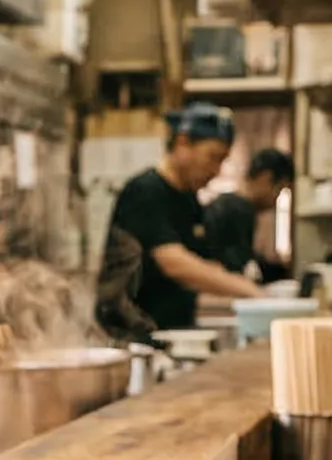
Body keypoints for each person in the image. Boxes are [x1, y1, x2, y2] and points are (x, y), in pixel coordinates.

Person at [104, 103, 265, 335]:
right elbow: (175, 263)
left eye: (222, 161)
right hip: (133, 333)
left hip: (173, 331)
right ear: (182, 143)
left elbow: (203, 263)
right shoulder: (145, 191)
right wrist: (250, 291)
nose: (216, 170)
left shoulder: (188, 199)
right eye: (213, 157)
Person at [204, 146, 296, 287]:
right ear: (267, 178)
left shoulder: (227, 203)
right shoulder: (239, 210)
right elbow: (234, 268)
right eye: (279, 189)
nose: (276, 199)